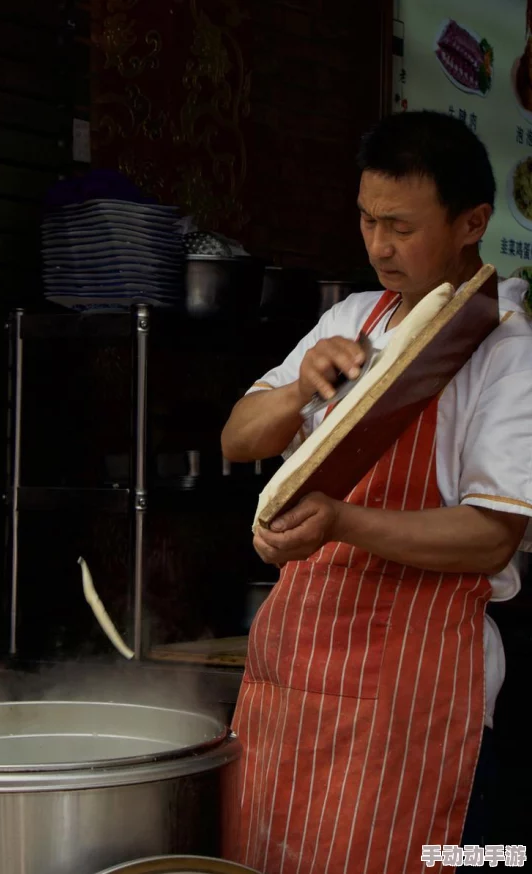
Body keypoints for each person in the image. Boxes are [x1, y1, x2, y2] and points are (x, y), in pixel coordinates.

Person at [220, 110, 532, 874]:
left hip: (412, 695)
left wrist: (339, 520)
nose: (379, 246)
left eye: (400, 225)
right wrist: (300, 387)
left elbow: (491, 535)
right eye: (366, 220)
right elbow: (237, 437)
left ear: (473, 223)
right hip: (294, 678)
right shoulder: (353, 317)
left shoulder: (507, 348)